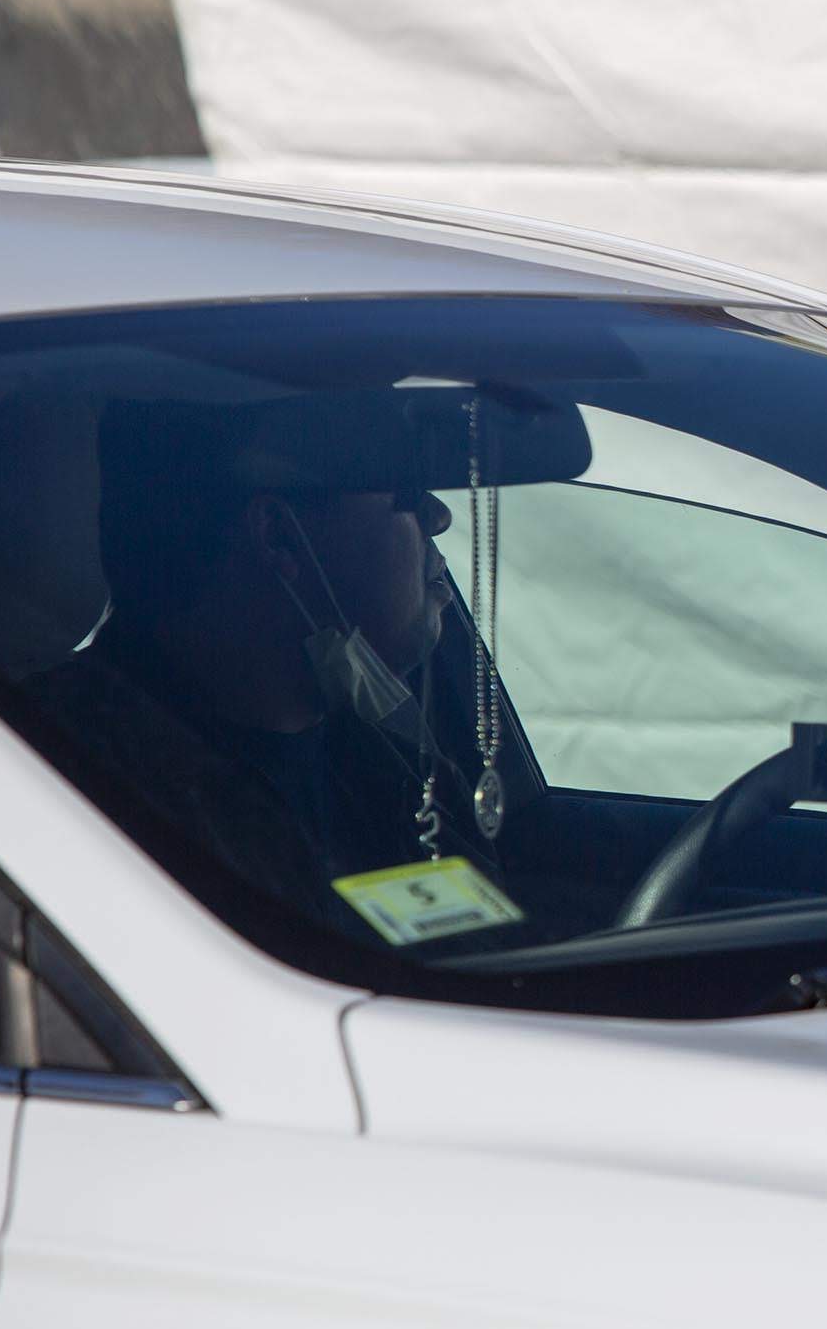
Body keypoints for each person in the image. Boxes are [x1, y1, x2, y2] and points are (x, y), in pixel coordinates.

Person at [26, 395, 512, 933]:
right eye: (406, 492)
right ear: (280, 536)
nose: (438, 517)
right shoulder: (66, 789)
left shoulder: (395, 773)